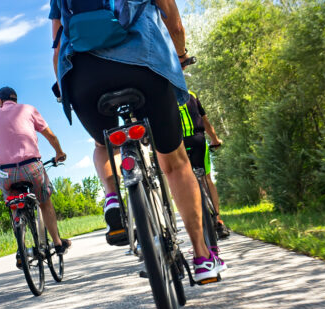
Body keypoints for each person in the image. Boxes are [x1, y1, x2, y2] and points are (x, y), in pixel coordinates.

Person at [49, 0, 225, 282]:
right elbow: (175, 25)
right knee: (175, 163)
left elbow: (58, 47)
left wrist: (63, 88)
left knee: (103, 144)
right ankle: (203, 256)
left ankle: (112, 197)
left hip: (84, 77)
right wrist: (179, 56)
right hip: (145, 65)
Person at [0, 86, 71, 266]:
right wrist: (59, 153)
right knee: (45, 201)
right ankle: (57, 243)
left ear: (0, 101)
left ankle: (21, 249)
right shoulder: (28, 109)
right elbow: (51, 136)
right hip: (31, 166)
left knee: (13, 204)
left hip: (6, 172)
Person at [179, 90, 230, 239]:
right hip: (197, 139)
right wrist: (215, 139)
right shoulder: (191, 94)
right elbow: (205, 121)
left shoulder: (164, 95)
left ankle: (195, 224)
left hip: (178, 144)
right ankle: (219, 220)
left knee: (183, 182)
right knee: (206, 179)